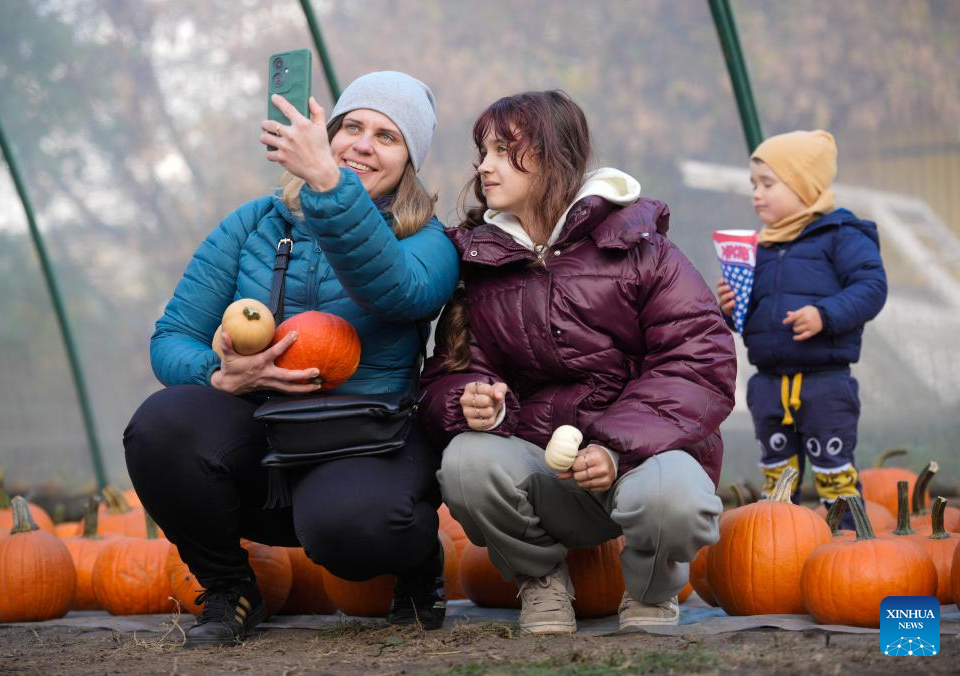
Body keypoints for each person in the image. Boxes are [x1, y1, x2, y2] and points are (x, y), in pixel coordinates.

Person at [124, 71, 459, 647]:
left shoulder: (427, 239)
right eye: (351, 126)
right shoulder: (255, 223)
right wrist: (220, 374)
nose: (362, 144)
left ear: (410, 161)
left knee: (355, 531)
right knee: (161, 424)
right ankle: (231, 589)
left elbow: (397, 292)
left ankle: (417, 559)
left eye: (387, 136)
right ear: (327, 135)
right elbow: (172, 336)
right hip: (265, 433)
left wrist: (331, 190)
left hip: (367, 438)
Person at [419, 91, 736, 634]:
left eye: (502, 150)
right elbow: (448, 374)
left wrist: (614, 447)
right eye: (482, 151)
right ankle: (541, 582)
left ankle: (651, 594)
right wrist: (474, 402)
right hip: (544, 469)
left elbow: (698, 361)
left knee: (676, 497)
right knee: (466, 463)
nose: (483, 166)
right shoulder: (481, 261)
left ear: (551, 156)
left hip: (640, 463)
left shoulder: (642, 249)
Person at [716, 130, 887, 529]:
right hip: (768, 385)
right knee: (777, 478)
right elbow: (747, 318)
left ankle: (848, 544)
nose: (756, 193)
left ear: (803, 187)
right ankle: (779, 549)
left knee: (833, 472)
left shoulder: (842, 236)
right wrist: (729, 308)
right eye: (753, 185)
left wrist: (825, 315)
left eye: (768, 184)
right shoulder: (759, 248)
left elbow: (871, 287)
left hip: (825, 384)